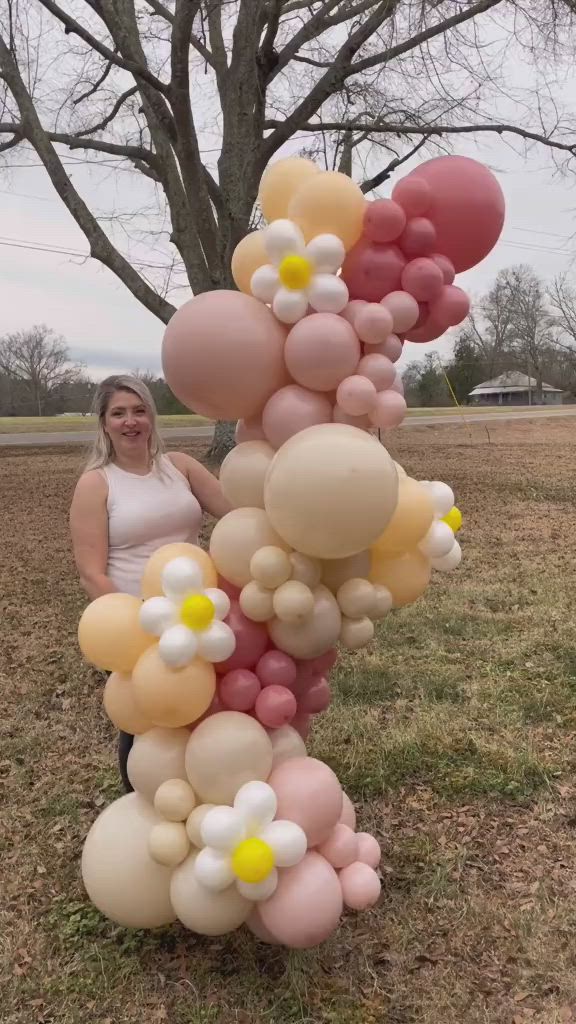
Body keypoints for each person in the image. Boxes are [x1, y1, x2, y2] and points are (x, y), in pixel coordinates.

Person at [70, 374, 230, 791]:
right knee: (146, 721)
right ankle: (140, 799)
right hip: (137, 626)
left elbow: (234, 516)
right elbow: (92, 572)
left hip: (198, 615)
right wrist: (143, 625)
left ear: (151, 416)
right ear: (104, 423)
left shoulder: (180, 467)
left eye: (139, 410)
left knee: (206, 709)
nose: (130, 422)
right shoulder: (97, 483)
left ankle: (205, 793)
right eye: (118, 413)